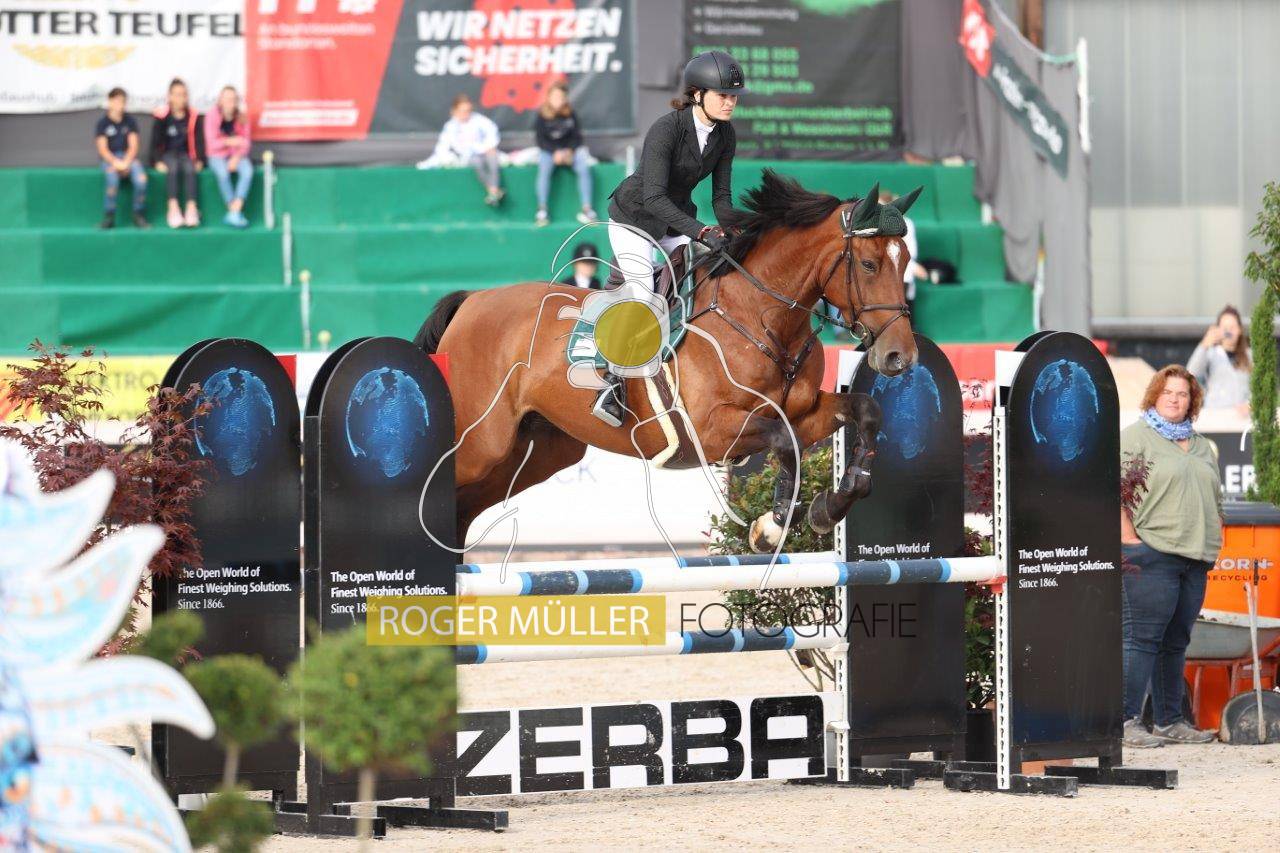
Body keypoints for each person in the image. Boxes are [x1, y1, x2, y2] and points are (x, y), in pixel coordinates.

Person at [593, 50, 747, 426]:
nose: (730, 102)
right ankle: (611, 382)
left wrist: (739, 228)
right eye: (723, 95)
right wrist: (703, 231)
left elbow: (721, 198)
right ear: (697, 94)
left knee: (707, 276)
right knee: (644, 290)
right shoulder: (667, 129)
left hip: (674, 223)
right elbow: (654, 198)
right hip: (634, 219)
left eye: (733, 96)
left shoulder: (725, 135)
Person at [1119, 365, 1222, 749]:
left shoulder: (1200, 444)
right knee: (1141, 639)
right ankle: (1126, 721)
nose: (1175, 399)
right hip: (1153, 553)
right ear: (1154, 395)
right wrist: (1128, 539)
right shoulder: (1135, 437)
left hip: (1195, 557)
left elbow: (1214, 495)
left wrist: (1216, 533)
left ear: (1192, 400)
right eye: (1168, 392)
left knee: (1176, 640)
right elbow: (1112, 490)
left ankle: (1169, 721)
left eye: (1182, 394)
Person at [534, 82, 596, 227]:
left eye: (561, 97)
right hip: (550, 152)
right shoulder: (541, 115)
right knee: (544, 169)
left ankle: (587, 209)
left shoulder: (571, 114)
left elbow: (577, 137)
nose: (558, 100)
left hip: (570, 151)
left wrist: (569, 151)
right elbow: (540, 140)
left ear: (565, 98)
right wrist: (554, 152)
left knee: (583, 167)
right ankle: (542, 210)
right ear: (549, 98)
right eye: (555, 96)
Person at [428, 94, 504, 206]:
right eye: (462, 111)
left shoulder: (479, 120)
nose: (466, 114)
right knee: (477, 162)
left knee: (492, 158)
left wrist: (489, 147)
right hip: (466, 157)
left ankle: (493, 191)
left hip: (484, 151)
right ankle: (494, 191)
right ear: (454, 111)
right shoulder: (450, 126)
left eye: (468, 111)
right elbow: (442, 147)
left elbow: (492, 133)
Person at [149, 78, 205, 229]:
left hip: (186, 155)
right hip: (168, 155)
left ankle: (191, 209)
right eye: (177, 94)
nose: (180, 98)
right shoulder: (162, 117)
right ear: (170, 96)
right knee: (172, 168)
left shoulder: (193, 116)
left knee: (190, 169)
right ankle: (173, 209)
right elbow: (155, 142)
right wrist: (157, 161)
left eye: (183, 95)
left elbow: (199, 141)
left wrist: (200, 159)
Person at [94, 87, 149, 229]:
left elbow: (133, 146)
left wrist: (126, 163)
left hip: (128, 158)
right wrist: (115, 163)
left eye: (123, 101)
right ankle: (109, 216)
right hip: (110, 160)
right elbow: (103, 149)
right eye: (117, 101)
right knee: (112, 179)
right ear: (110, 102)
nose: (120, 105)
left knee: (141, 179)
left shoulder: (130, 121)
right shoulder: (102, 123)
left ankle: (138, 214)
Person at [1188, 305, 1252, 415]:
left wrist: (1250, 405)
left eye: (1232, 327)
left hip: (1242, 418)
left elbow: (1258, 387)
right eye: (1225, 327)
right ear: (1217, 329)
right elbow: (1192, 372)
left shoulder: (1250, 355)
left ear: (1240, 330)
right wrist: (1204, 345)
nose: (1228, 331)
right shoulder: (1210, 353)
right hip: (1215, 415)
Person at [205, 85, 253, 229]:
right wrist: (229, 141)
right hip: (216, 156)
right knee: (223, 173)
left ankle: (234, 211)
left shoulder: (242, 117)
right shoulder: (211, 115)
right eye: (227, 99)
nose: (230, 103)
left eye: (233, 99)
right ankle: (234, 211)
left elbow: (246, 143)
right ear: (220, 100)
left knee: (248, 171)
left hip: (237, 155)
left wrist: (236, 157)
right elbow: (211, 144)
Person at [880, 190, 929, 317]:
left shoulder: (906, 223)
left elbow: (909, 252)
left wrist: (912, 266)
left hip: (902, 270)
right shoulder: (875, 225)